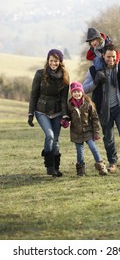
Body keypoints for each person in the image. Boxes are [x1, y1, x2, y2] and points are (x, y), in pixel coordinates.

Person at [83, 44, 120, 174]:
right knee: (108, 137)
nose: (111, 60)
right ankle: (112, 163)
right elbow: (84, 89)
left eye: (113, 57)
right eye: (108, 57)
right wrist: (96, 82)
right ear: (103, 56)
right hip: (103, 109)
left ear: (116, 56)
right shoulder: (94, 70)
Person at [28, 49, 69, 177]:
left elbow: (63, 99)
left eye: (56, 61)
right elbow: (34, 95)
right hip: (41, 111)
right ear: (48, 61)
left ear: (60, 62)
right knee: (50, 136)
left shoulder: (64, 76)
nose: (53, 63)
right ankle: (49, 166)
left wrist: (65, 115)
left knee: (56, 140)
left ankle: (56, 168)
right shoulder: (40, 74)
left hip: (57, 112)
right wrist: (30, 113)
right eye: (51, 60)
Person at [67, 81, 108, 176]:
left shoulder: (88, 103)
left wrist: (96, 133)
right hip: (76, 132)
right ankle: (81, 170)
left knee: (93, 148)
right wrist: (65, 121)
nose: (76, 94)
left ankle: (101, 167)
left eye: (78, 91)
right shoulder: (70, 105)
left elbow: (95, 118)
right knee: (79, 152)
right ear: (71, 93)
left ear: (82, 92)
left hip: (88, 131)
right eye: (74, 92)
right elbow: (67, 116)